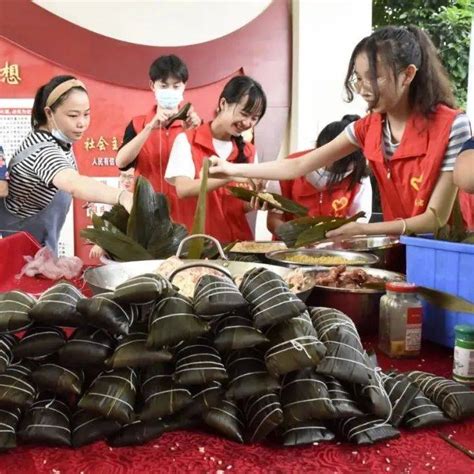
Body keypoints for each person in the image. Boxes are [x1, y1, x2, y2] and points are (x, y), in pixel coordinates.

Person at [209, 26, 472, 239]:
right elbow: (298, 165)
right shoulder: (368, 127)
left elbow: (434, 218)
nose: (363, 88)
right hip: (403, 248)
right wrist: (232, 170)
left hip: (449, 251)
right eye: (358, 78)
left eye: (374, 77)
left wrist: (362, 230)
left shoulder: (452, 127)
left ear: (408, 75)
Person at [0, 75, 134, 254]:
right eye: (73, 115)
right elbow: (73, 183)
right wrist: (123, 196)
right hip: (20, 255)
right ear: (49, 113)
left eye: (86, 114)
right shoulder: (42, 151)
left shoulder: (58, 141)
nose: (82, 123)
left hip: (41, 249)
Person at [165, 75, 267, 241]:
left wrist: (256, 202)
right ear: (223, 104)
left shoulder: (249, 151)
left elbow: (240, 206)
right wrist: (233, 175)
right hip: (196, 246)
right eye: (244, 114)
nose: (248, 123)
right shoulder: (187, 141)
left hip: (237, 247)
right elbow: (183, 189)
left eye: (254, 118)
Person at [115, 54, 201, 225]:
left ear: (184, 87)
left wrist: (192, 132)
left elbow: (204, 172)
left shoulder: (196, 126)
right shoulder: (138, 123)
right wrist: (149, 128)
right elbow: (121, 162)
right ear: (152, 86)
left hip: (187, 217)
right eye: (163, 85)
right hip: (148, 214)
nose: (170, 91)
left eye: (176, 86)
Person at [266, 115, 372, 235]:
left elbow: (359, 222)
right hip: (292, 247)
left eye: (349, 166)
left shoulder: (359, 175)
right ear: (320, 150)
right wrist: (293, 235)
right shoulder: (288, 168)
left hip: (336, 247)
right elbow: (273, 219)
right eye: (337, 164)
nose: (343, 171)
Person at [88, 168, 137, 260]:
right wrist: (101, 244)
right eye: (123, 176)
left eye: (131, 177)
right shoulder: (113, 198)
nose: (126, 181)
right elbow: (106, 225)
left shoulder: (145, 199)